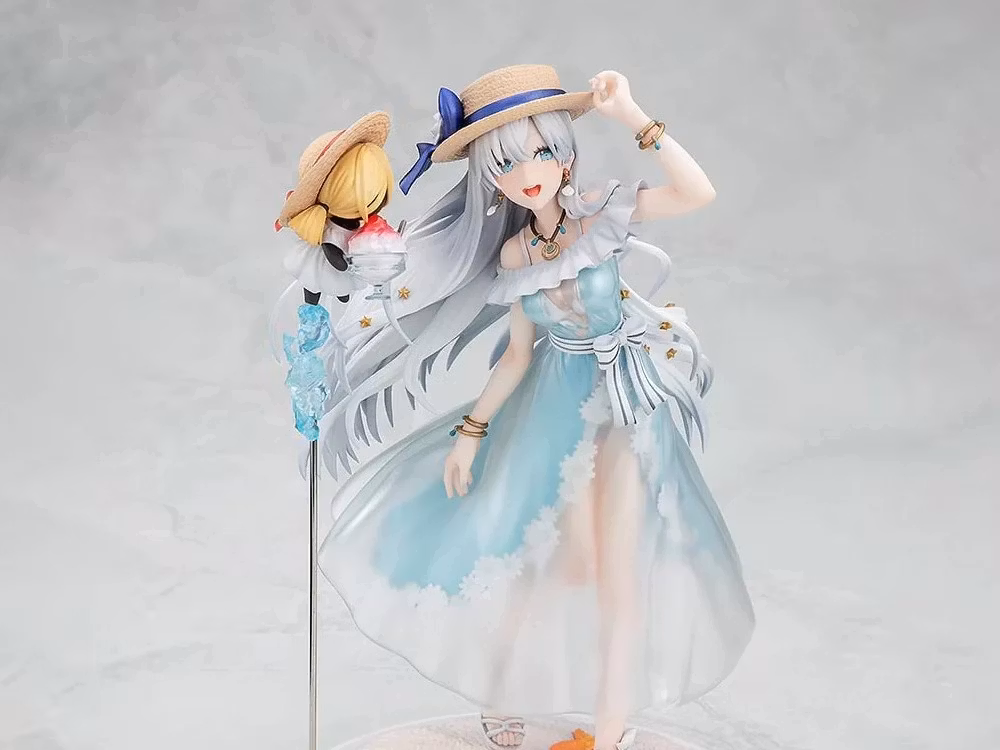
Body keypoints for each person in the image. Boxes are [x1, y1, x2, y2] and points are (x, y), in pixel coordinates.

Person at [312, 65, 755, 750]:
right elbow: (518, 355)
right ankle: (500, 694)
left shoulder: (600, 212)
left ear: (566, 155)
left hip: (626, 410)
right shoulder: (518, 252)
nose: (529, 173)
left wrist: (634, 117)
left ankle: (606, 736)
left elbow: (697, 192)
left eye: (543, 151)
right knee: (555, 563)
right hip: (553, 410)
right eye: (507, 163)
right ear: (490, 179)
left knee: (620, 577)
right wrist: (471, 431)